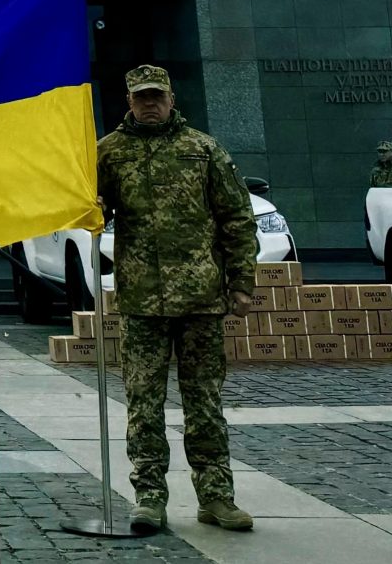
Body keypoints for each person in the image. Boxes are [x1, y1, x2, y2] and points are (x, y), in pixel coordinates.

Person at [96, 64, 260, 534]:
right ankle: (149, 498)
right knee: (143, 405)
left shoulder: (203, 150)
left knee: (204, 404)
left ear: (171, 98)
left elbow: (236, 217)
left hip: (201, 300)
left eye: (157, 96)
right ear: (128, 101)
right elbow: (90, 206)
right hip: (141, 302)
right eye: (140, 97)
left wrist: (242, 282)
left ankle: (216, 497)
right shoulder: (110, 153)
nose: (149, 104)